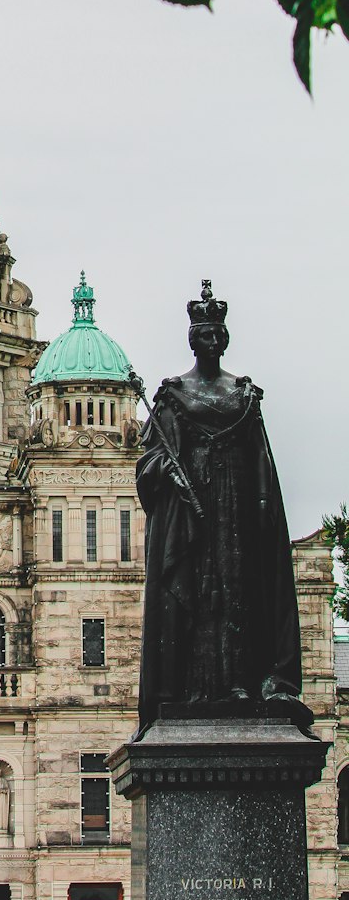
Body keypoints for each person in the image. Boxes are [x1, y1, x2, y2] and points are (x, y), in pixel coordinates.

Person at [135, 281, 304, 735]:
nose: (212, 341)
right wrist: (167, 476)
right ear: (194, 339)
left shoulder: (244, 394)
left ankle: (242, 684)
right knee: (196, 593)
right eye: (205, 334)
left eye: (218, 334)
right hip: (191, 514)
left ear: (225, 338)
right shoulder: (173, 395)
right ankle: (192, 687)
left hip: (238, 510)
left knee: (240, 593)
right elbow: (150, 457)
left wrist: (265, 512)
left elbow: (262, 461)